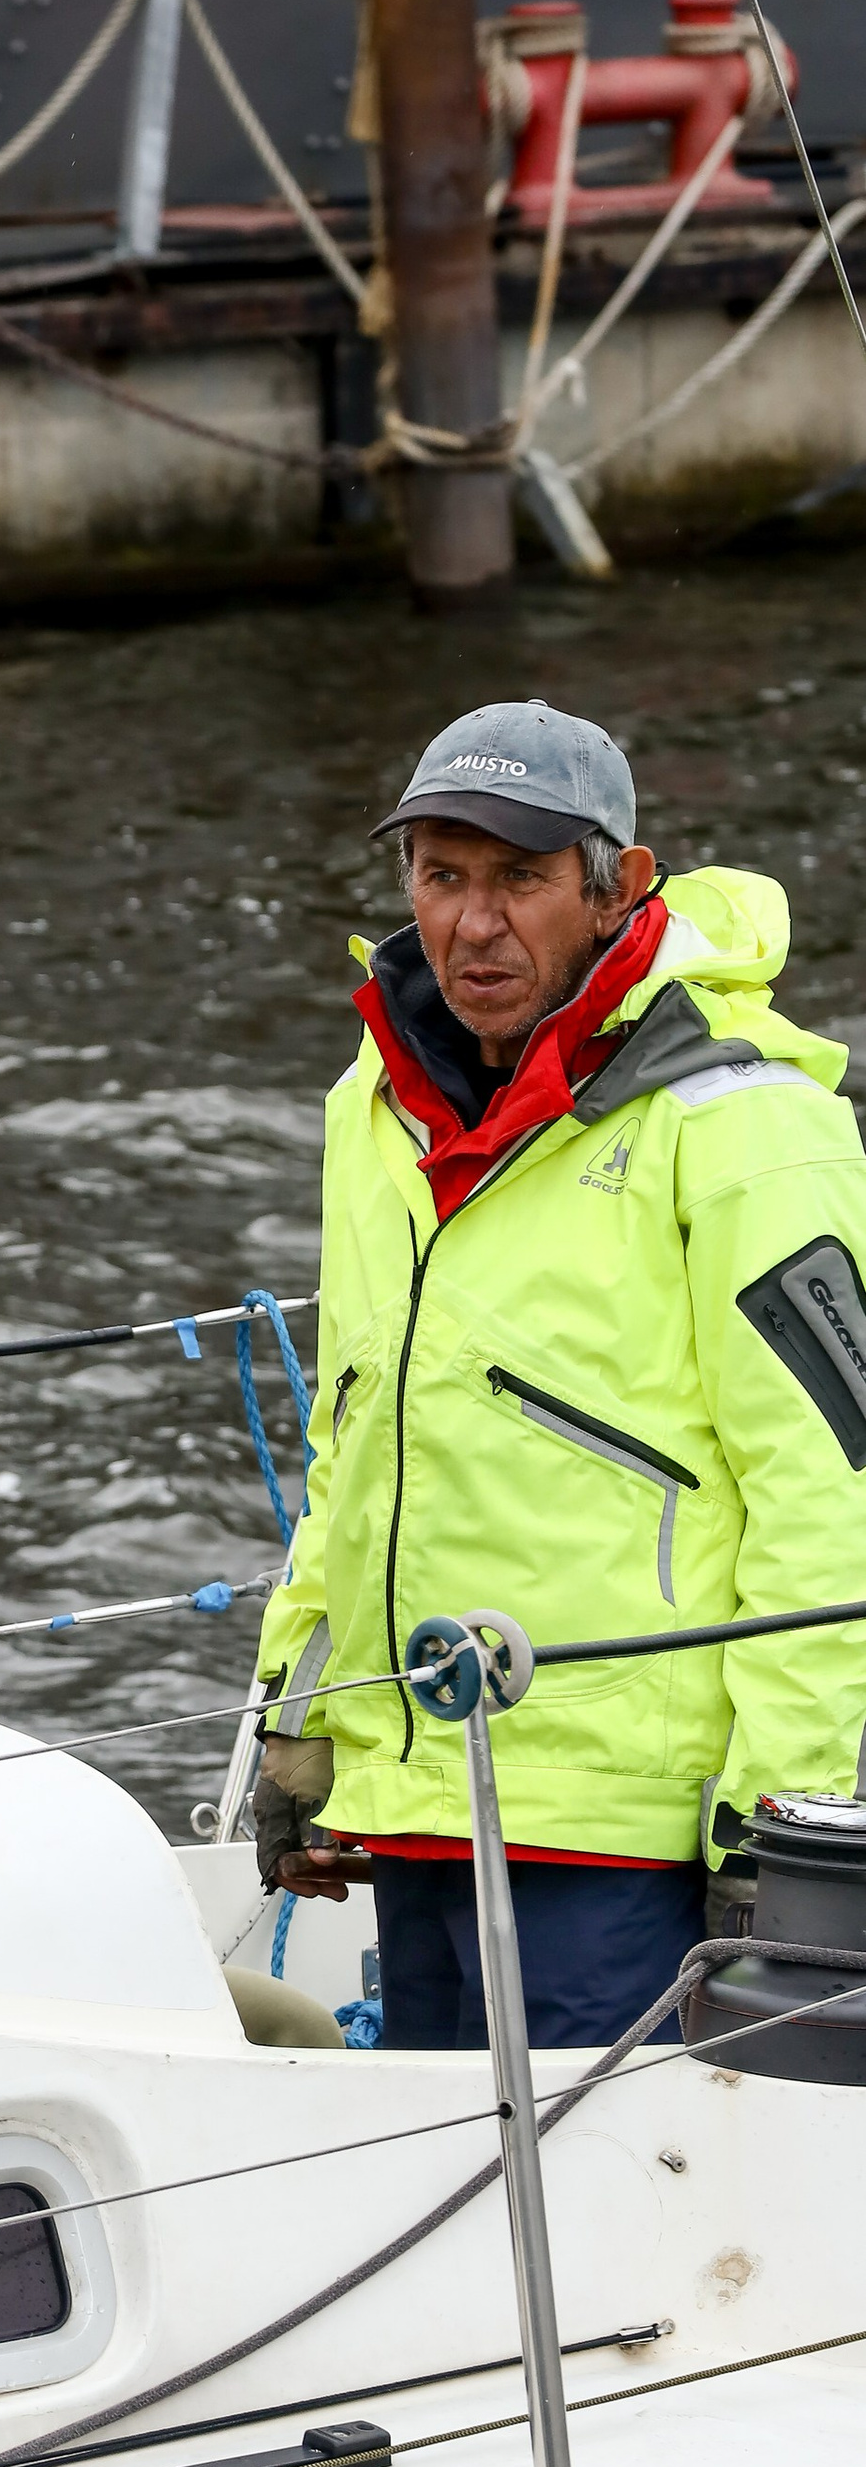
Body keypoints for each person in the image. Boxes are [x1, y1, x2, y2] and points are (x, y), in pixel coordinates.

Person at [254, 696, 866, 2050]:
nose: (473, 923)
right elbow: (353, 1439)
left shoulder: (749, 1122)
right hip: (419, 1794)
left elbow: (829, 1498)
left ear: (616, 888)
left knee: (594, 2179)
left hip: (622, 1832)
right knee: (433, 2165)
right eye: (440, 876)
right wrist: (296, 1724)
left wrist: (780, 1822)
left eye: (519, 879)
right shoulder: (373, 1104)